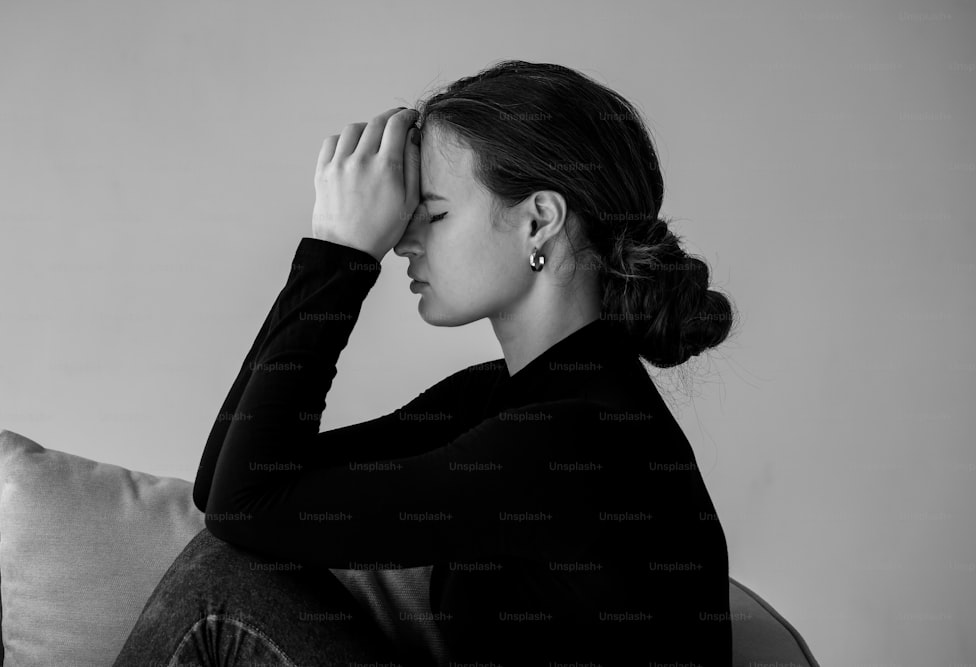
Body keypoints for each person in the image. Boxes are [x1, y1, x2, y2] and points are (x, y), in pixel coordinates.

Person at [113, 59, 737, 667]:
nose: (404, 241)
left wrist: (339, 254)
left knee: (218, 588)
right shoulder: (505, 398)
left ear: (538, 222)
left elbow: (242, 501)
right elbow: (226, 486)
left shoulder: (573, 437)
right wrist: (332, 253)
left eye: (434, 214)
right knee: (226, 567)